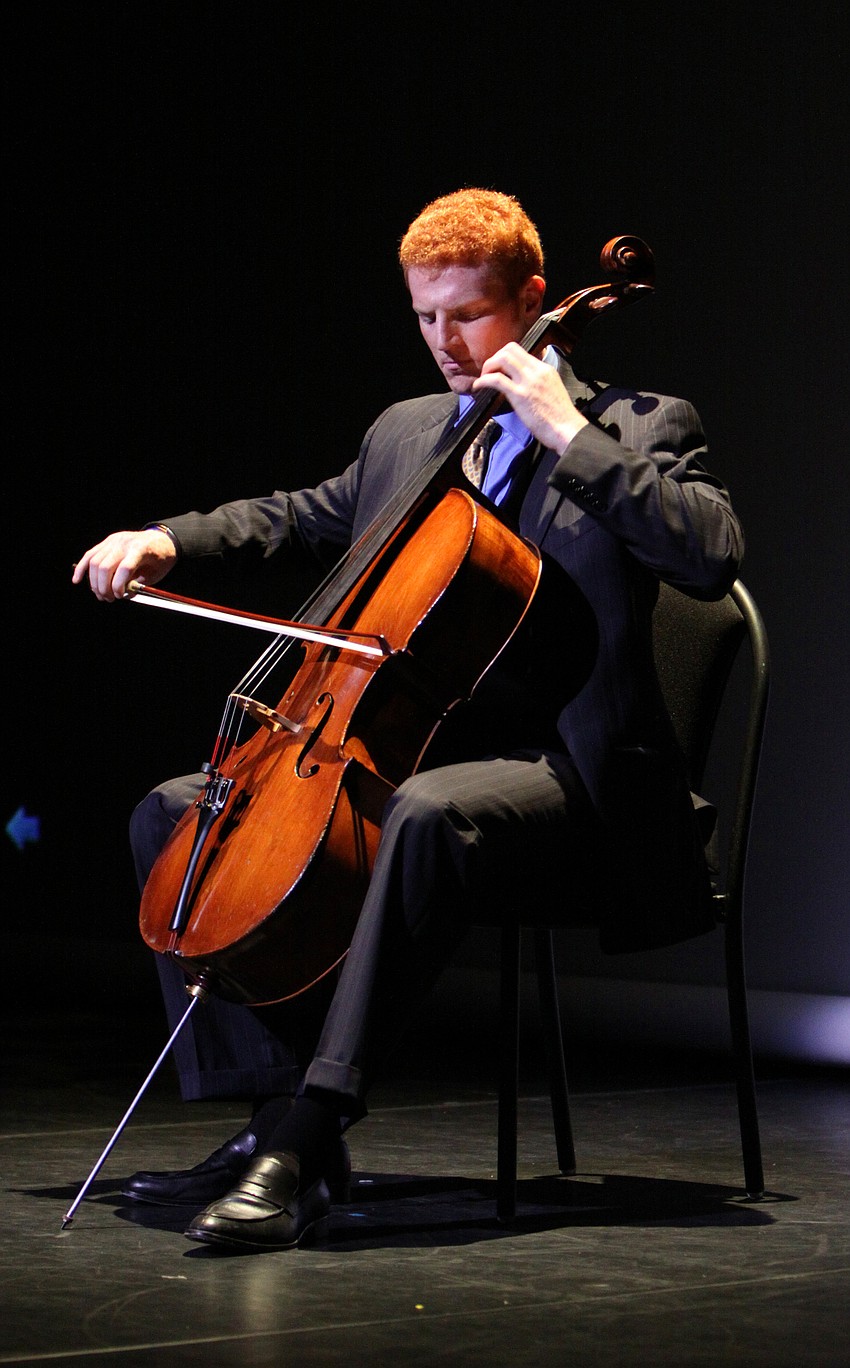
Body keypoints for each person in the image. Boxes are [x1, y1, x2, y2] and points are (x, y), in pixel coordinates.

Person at [73, 188, 744, 1253]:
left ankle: (312, 1127)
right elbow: (300, 515)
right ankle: (272, 1118)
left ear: (531, 301)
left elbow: (710, 553)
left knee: (430, 814)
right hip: (419, 753)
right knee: (181, 812)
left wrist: (564, 433)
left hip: (572, 778)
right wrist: (166, 538)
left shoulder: (638, 425)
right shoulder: (409, 433)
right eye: (424, 317)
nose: (443, 342)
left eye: (466, 315)